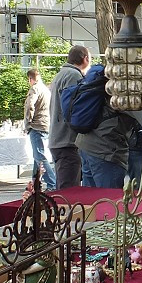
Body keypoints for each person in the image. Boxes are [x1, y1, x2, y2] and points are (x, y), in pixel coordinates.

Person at [49, 45, 90, 189]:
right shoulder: (73, 75)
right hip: (67, 140)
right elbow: (75, 109)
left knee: (63, 187)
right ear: (85, 59)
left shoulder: (61, 74)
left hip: (59, 139)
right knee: (68, 193)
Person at [23, 69, 56, 190]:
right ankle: (35, 181)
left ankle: (52, 184)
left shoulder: (35, 89)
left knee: (39, 156)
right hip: (46, 124)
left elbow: (30, 106)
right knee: (37, 155)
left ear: (30, 79)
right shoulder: (46, 90)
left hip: (36, 125)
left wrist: (28, 122)